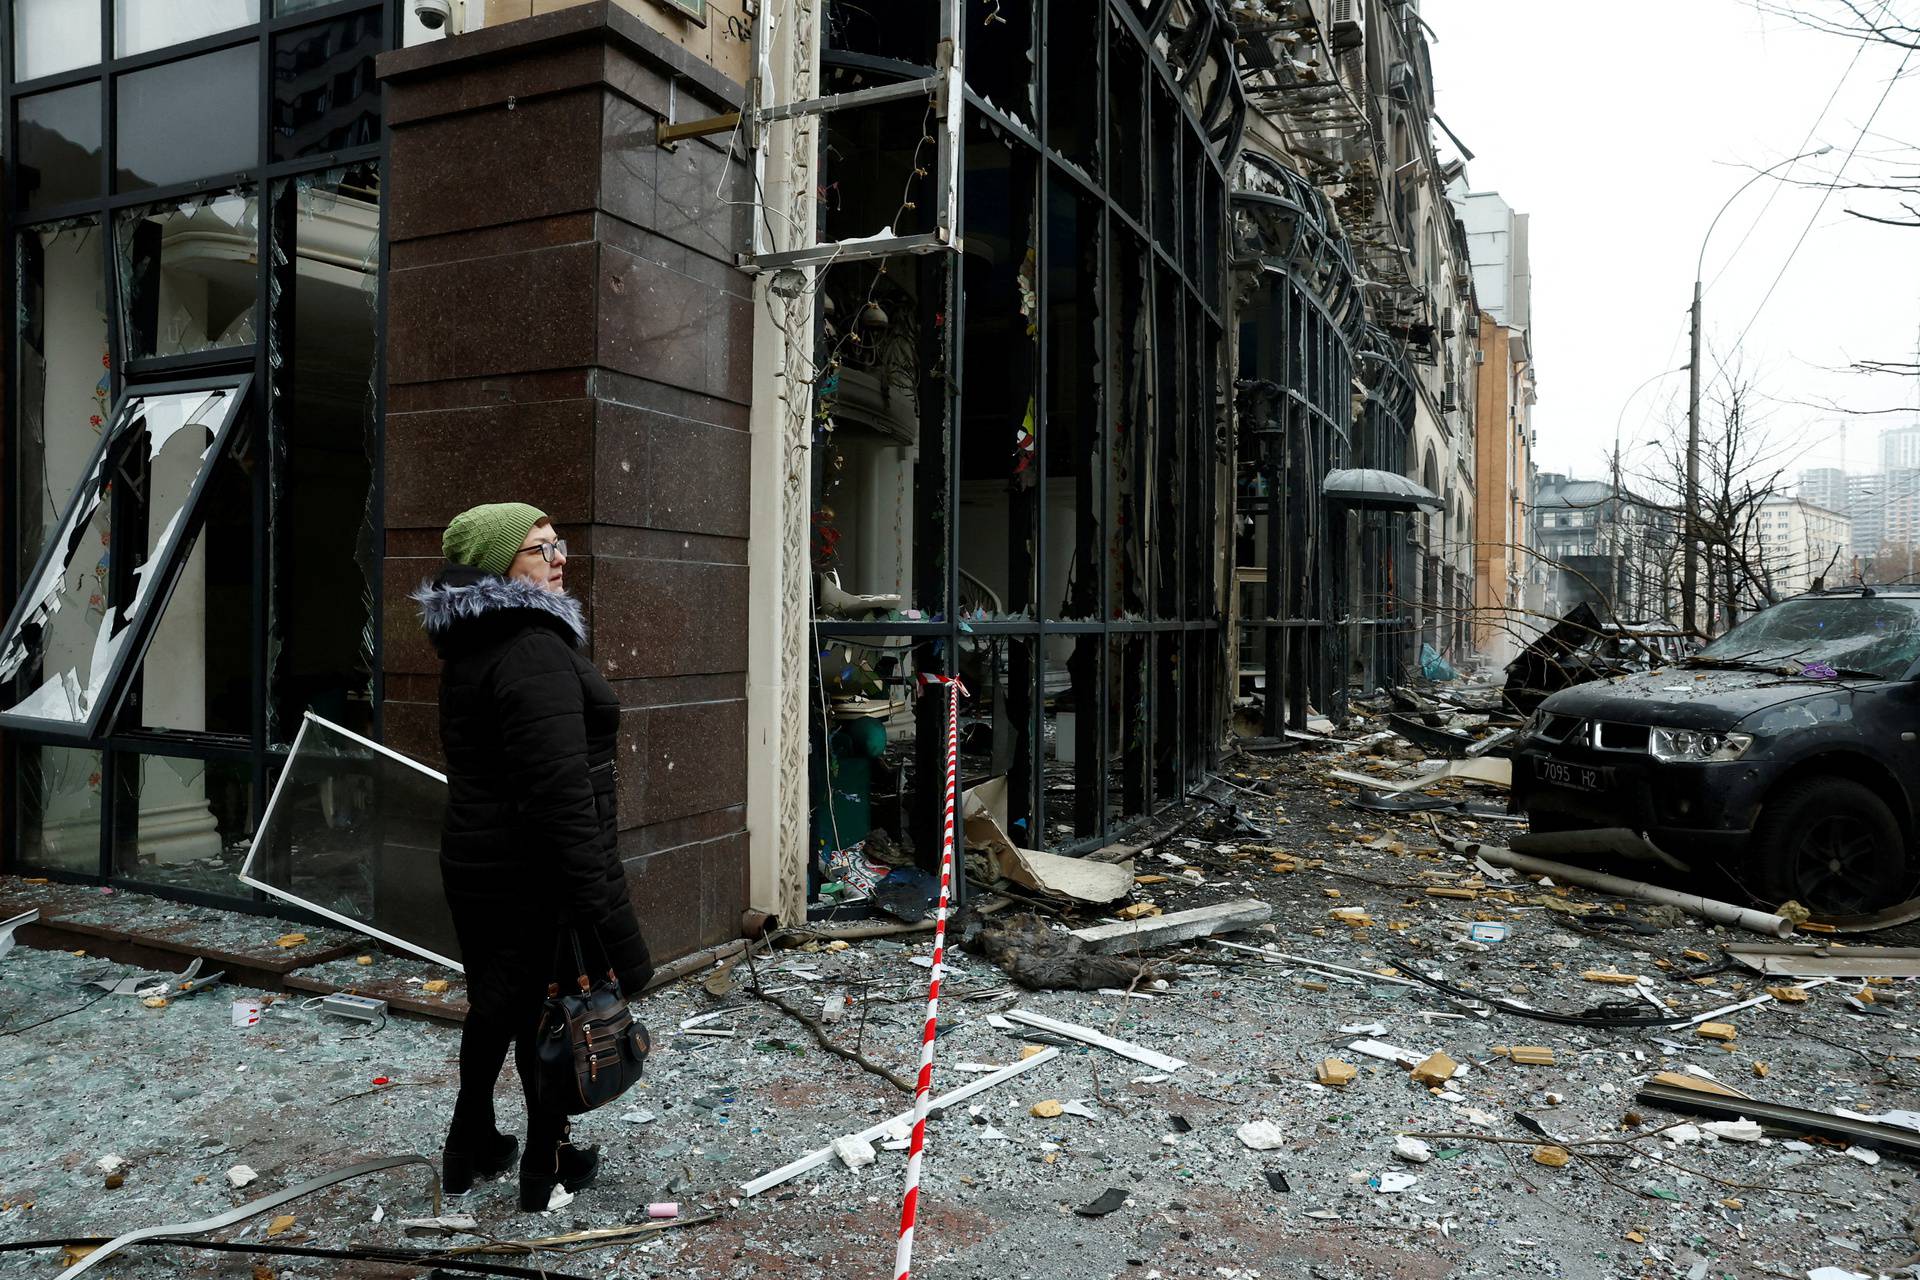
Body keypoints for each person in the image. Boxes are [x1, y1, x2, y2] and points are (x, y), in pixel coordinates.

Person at [413, 502, 653, 1212]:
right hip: (534, 871)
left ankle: (470, 1147)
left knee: (496, 1007)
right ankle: (545, 1169)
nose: (558, 561)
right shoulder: (533, 648)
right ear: (498, 566)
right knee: (554, 1011)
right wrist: (599, 903)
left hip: (478, 862)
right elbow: (559, 798)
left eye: (559, 547)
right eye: (539, 550)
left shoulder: (472, 642)